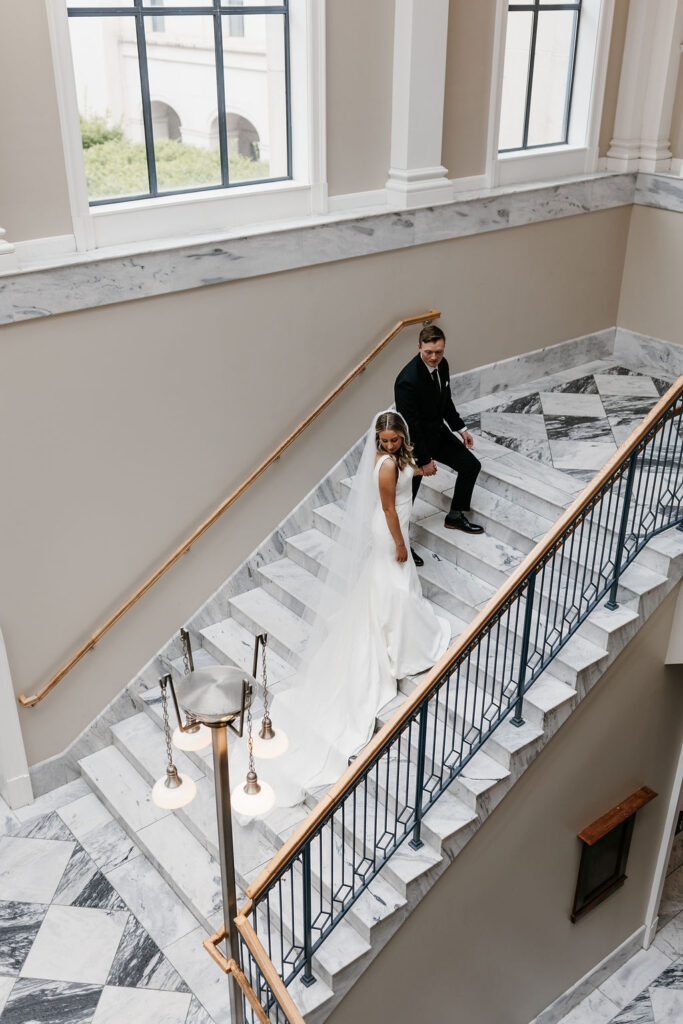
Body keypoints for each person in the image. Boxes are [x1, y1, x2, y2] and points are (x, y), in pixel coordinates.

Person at [247, 411, 451, 809]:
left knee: (391, 586)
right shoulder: (387, 465)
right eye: (384, 440)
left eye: (394, 440)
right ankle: (403, 643)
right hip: (389, 529)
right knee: (395, 585)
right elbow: (391, 510)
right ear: (378, 439)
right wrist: (399, 544)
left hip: (394, 524)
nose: (389, 446)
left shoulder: (398, 459)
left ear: (402, 436)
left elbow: (406, 487)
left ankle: (398, 630)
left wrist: (421, 466)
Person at [394, 323, 484, 567]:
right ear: (419, 347)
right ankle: (400, 541)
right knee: (406, 497)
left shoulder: (442, 365)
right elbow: (411, 426)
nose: (434, 357)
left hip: (438, 434)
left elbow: (446, 402)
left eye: (439, 352)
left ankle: (455, 516)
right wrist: (423, 461)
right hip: (413, 447)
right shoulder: (406, 380)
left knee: (471, 465)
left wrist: (461, 428)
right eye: (429, 352)